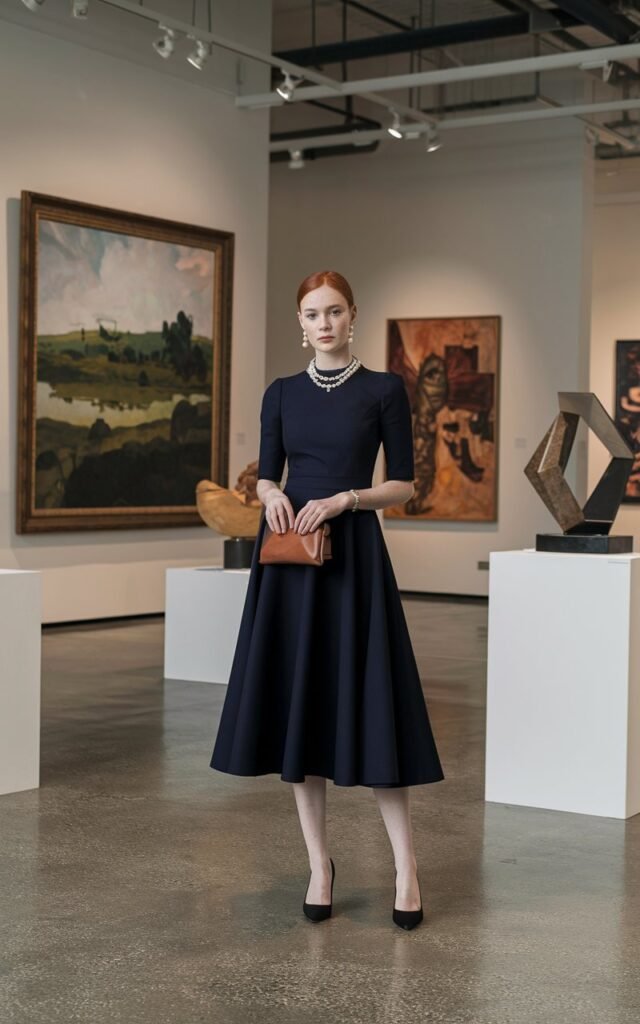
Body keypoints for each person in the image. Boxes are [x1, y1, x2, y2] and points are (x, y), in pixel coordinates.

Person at [210, 270, 444, 929]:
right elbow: (265, 475)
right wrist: (269, 494)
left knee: (373, 711)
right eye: (312, 313)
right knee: (300, 713)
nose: (323, 323)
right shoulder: (281, 394)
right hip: (290, 559)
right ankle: (320, 865)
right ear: (300, 323)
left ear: (352, 317)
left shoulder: (383, 390)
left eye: (334, 311)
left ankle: (406, 868)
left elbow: (402, 485)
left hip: (354, 561)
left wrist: (347, 499)